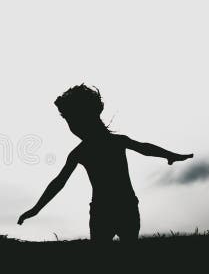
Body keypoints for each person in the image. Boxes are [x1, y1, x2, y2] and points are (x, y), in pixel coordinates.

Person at [17, 84, 193, 242]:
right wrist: (36, 209)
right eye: (69, 121)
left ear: (89, 117)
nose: (72, 127)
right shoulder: (88, 150)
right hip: (109, 209)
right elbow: (59, 182)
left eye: (73, 120)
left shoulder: (99, 147)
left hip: (120, 208)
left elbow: (144, 148)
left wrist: (170, 155)